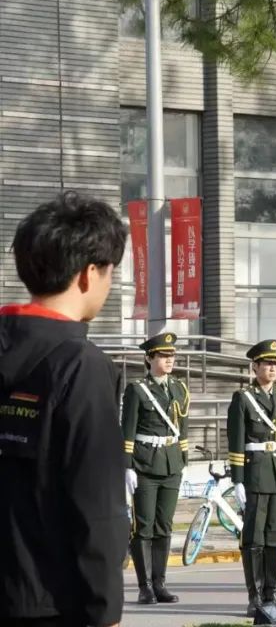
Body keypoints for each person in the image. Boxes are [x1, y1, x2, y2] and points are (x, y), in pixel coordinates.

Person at [0, 191, 128, 627]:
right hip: (52, 600)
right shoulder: (82, 366)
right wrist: (105, 608)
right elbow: (97, 501)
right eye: (110, 273)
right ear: (89, 274)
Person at [227, 339, 276, 617]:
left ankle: (272, 595)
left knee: (274, 536)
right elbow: (236, 440)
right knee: (254, 538)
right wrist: (238, 480)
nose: (273, 368)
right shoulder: (243, 398)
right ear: (254, 366)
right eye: (267, 363)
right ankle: (255, 597)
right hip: (255, 473)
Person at [121, 331, 189, 605]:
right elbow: (127, 429)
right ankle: (145, 586)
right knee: (144, 526)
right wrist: (127, 466)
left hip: (171, 463)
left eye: (172, 355)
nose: (169, 360)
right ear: (149, 358)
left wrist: (183, 459)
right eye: (163, 355)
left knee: (164, 526)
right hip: (145, 464)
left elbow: (182, 427)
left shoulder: (179, 388)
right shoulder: (137, 389)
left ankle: (160, 583)